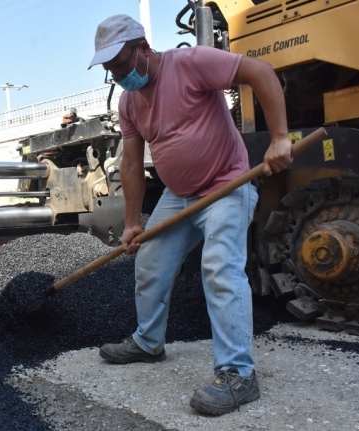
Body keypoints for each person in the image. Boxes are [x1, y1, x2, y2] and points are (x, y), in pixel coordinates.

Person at [88, 15, 292, 415]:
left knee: (218, 268)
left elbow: (260, 71)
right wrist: (133, 223)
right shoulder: (130, 101)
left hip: (226, 186)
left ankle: (238, 375)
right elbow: (131, 163)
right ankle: (148, 342)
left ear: (143, 49)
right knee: (149, 260)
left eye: (121, 65)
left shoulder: (191, 63)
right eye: (110, 70)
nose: (118, 76)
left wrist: (281, 137)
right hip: (179, 196)